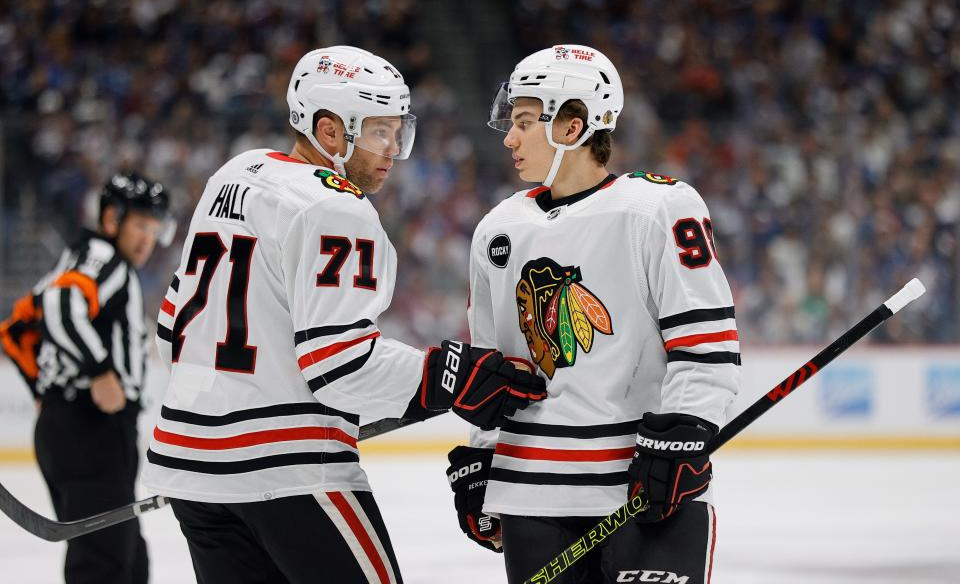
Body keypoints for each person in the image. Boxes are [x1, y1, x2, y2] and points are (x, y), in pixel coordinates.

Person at [140, 45, 546, 584]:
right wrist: (452, 374)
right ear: (330, 131)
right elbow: (339, 365)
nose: (394, 148)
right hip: (288, 471)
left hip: (190, 470)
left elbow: (173, 325)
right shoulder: (335, 206)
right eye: (380, 132)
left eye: (399, 131)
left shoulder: (233, 175)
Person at [444, 44, 742, 584]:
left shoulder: (658, 209)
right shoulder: (497, 228)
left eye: (526, 122)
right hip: (528, 491)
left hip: (642, 486)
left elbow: (706, 348)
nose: (509, 138)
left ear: (573, 124)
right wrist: (482, 455)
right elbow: (494, 371)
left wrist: (687, 433)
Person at [0, 171, 173, 584]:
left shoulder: (84, 257)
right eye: (140, 225)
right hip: (89, 432)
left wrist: (41, 388)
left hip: (82, 432)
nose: (147, 239)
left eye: (154, 228)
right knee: (103, 563)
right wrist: (99, 373)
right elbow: (59, 304)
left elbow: (18, 328)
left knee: (128, 560)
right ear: (112, 219)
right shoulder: (104, 258)